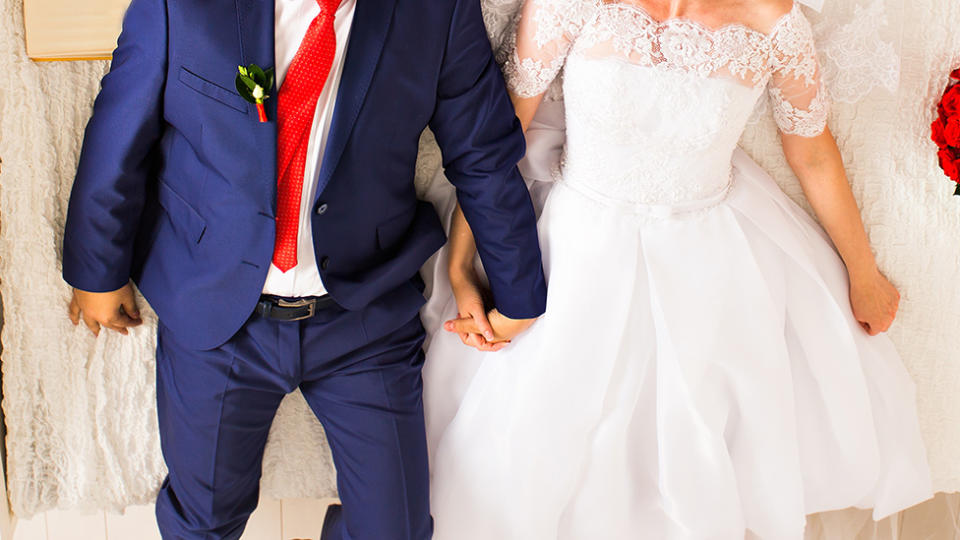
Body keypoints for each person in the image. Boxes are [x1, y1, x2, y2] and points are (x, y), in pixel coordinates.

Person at [423, 0, 933, 537]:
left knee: (691, 460)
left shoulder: (775, 24)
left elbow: (813, 155)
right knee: (532, 446)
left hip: (707, 260)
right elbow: (500, 141)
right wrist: (461, 266)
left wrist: (863, 272)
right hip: (575, 249)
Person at [60, 0, 547, 537]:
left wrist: (517, 293)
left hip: (363, 317)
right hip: (216, 311)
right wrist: (96, 270)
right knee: (204, 519)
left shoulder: (436, 12)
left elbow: (482, 154)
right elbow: (119, 127)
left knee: (396, 529)